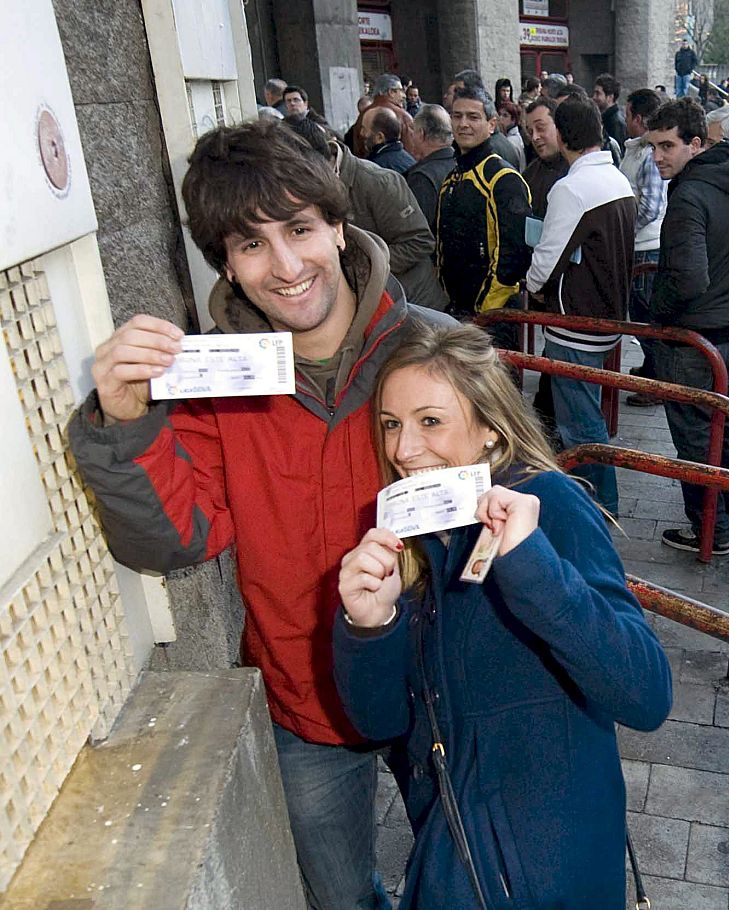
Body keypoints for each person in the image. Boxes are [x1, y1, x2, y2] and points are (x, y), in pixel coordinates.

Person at [68, 120, 454, 910]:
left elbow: (517, 519)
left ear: (339, 229)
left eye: (301, 229)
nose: (285, 265)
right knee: (343, 898)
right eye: (250, 245)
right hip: (305, 699)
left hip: (445, 692)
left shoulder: (440, 350)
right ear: (227, 266)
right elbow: (175, 542)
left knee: (472, 885)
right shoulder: (212, 382)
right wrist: (126, 419)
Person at [333, 322, 671, 909]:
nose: (402, 450)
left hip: (548, 873)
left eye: (430, 421)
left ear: (490, 429)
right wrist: (368, 626)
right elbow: (379, 725)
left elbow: (646, 694)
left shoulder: (550, 506)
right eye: (391, 424)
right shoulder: (412, 542)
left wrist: (530, 566)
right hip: (452, 852)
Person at [646, 98, 729, 554]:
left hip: (697, 337)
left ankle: (711, 530)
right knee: (728, 429)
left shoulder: (692, 192)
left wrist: (658, 307)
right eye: (654, 146)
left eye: (668, 146)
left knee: (698, 437)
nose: (658, 156)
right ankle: (727, 524)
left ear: (695, 144)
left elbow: (690, 278)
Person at [523, 94, 637, 515]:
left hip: (576, 320)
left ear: (564, 134)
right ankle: (593, 498)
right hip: (606, 318)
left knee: (580, 422)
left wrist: (531, 286)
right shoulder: (616, 178)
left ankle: (600, 504)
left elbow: (545, 261)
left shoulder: (572, 188)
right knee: (582, 414)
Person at [285, 116, 446, 313]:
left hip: (413, 308)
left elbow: (419, 241)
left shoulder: (378, 182)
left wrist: (361, 266)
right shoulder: (297, 191)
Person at [435, 87, 533, 330]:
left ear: (491, 124)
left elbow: (512, 259)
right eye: (457, 116)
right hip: (458, 313)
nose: (463, 124)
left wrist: (483, 315)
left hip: (492, 319)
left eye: (473, 117)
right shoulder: (452, 178)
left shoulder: (503, 179)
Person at [621, 88, 669, 406]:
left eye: (627, 114)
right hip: (637, 244)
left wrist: (622, 230)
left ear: (639, 118)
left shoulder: (649, 154)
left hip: (646, 246)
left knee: (646, 318)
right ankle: (653, 367)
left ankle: (659, 383)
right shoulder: (635, 149)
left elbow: (649, 206)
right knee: (640, 317)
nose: (624, 120)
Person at [403, 104, 455, 230]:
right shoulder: (464, 164)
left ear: (421, 134)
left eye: (413, 131)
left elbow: (416, 230)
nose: (412, 137)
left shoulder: (422, 178)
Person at [362, 106, 415, 174]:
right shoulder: (409, 160)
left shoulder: (377, 168)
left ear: (380, 137)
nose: (361, 133)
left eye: (364, 129)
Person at [593, 73, 628, 150]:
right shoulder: (604, 118)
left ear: (610, 97)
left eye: (598, 93)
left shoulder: (616, 123)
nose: (594, 97)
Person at [494, 101, 527, 172]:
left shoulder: (511, 141)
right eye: (499, 114)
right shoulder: (510, 137)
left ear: (513, 120)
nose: (500, 118)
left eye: (505, 116)